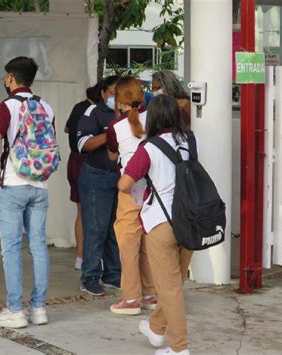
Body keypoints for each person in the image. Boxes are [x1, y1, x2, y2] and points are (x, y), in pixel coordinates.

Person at [118, 95, 193, 355]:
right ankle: (156, 328)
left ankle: (179, 349)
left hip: (161, 223)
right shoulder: (190, 141)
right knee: (174, 282)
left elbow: (124, 184)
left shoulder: (149, 147)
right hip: (190, 221)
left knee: (169, 288)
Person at [0, 57, 55, 329]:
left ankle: (15, 310)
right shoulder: (46, 107)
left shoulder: (8, 107)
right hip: (40, 185)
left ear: (11, 77)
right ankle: (39, 308)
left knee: (11, 248)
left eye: (6, 77)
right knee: (38, 245)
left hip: (13, 184)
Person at [106, 76, 156, 315]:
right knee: (148, 242)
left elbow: (113, 157)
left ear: (119, 100)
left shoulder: (115, 128)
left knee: (128, 244)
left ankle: (130, 298)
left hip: (130, 187)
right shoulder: (154, 120)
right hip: (155, 188)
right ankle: (150, 293)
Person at [76, 75, 121, 296]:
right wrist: (110, 134)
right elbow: (83, 144)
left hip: (122, 178)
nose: (116, 97)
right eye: (113, 92)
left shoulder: (130, 113)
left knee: (116, 228)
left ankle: (113, 275)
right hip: (97, 176)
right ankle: (90, 277)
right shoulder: (93, 113)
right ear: (103, 93)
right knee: (96, 228)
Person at [64, 83, 101, 270]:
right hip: (87, 162)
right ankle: (91, 256)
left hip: (74, 160)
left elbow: (67, 129)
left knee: (81, 212)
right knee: (94, 214)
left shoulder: (78, 107)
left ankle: (80, 256)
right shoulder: (95, 111)